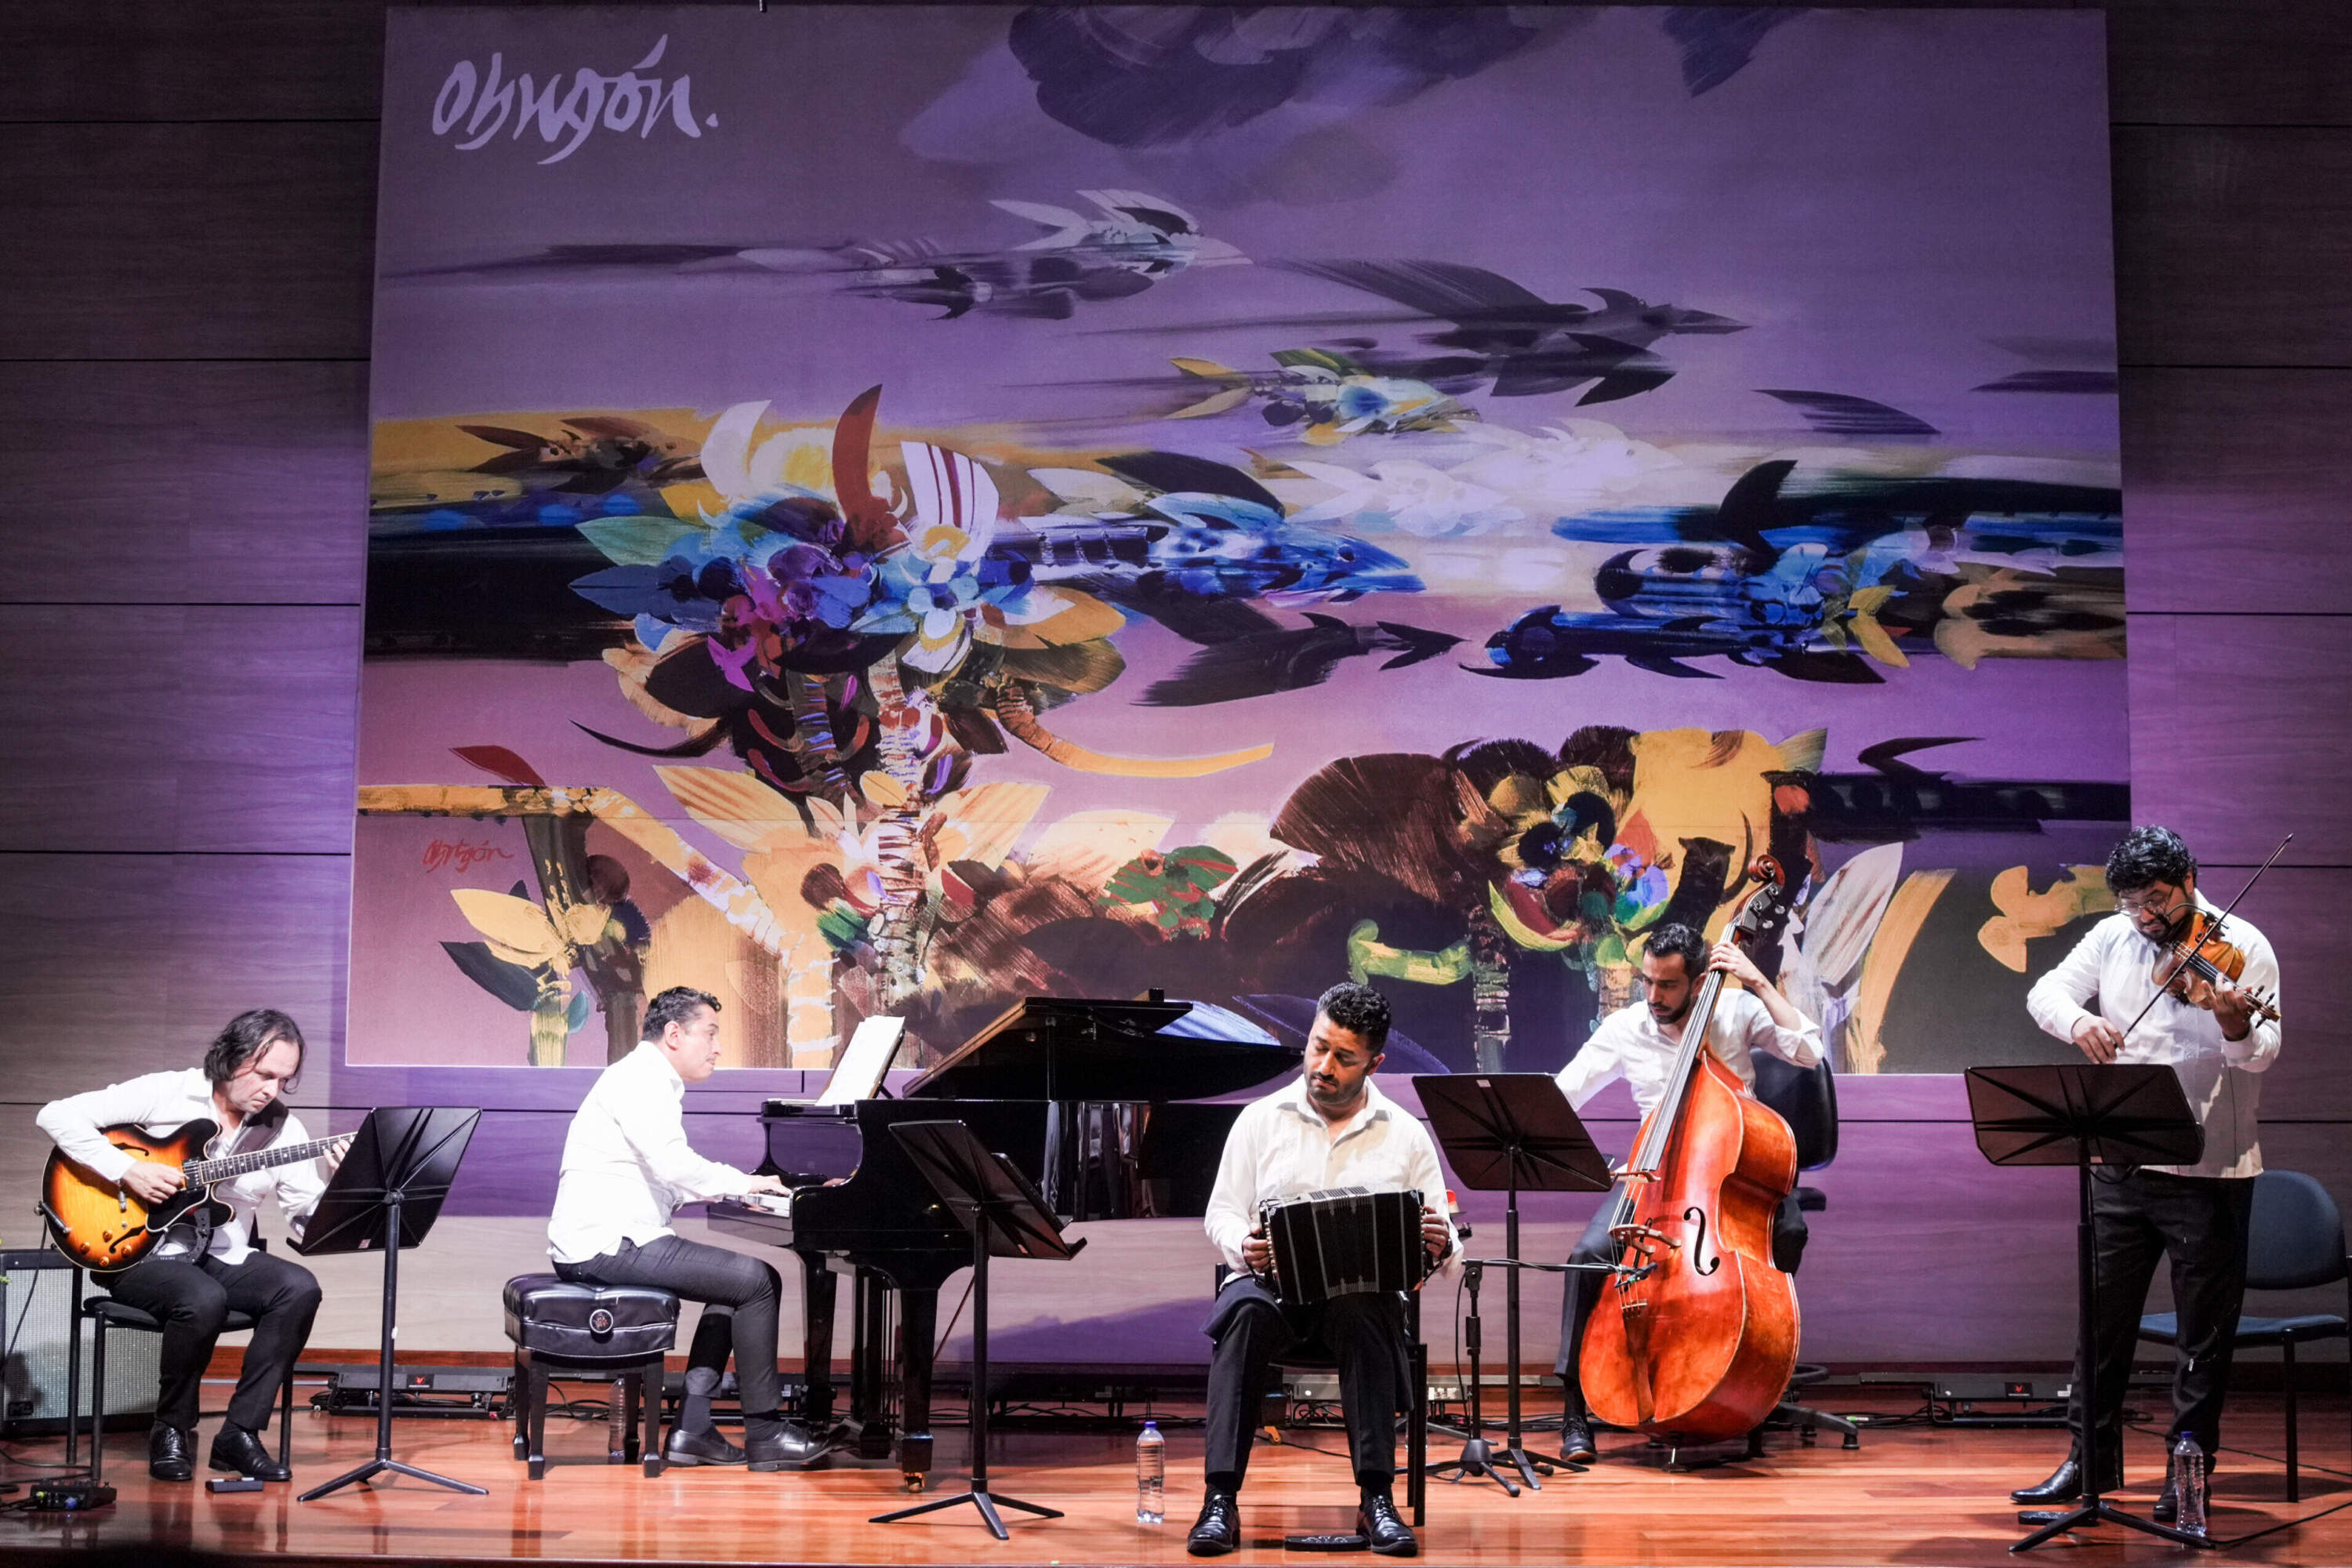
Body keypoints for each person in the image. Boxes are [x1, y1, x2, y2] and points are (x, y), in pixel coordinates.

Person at [2013, 826, 2281, 1525]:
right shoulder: (2112, 937)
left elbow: (2260, 1055)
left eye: (2157, 900)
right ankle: (2088, 1463)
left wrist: (2232, 1026)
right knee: (2100, 1326)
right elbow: (2046, 992)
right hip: (2122, 1161)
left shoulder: (2243, 946)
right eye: (2133, 902)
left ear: (2189, 878)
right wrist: (2078, 1024)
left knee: (2202, 1337)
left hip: (2210, 1170)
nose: (2146, 917)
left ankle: (2187, 1475)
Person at [1189, 982, 1457, 1559]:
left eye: (1343, 1057)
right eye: (1317, 1047)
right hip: (1273, 1290)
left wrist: (1441, 1242)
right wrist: (1244, 1243)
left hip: (1357, 1298)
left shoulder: (1406, 1135)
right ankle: (1219, 1501)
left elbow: (1443, 1239)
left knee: (1367, 1312)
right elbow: (1222, 1211)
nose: (1322, 1066)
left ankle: (1376, 1499)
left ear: (1375, 1062)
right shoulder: (1260, 1120)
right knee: (1241, 1314)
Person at [1550, 921, 1824, 1464]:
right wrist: (1587, 1160)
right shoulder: (1626, 1027)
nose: (1653, 997)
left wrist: (1761, 984)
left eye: (1669, 986)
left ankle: (1758, 1366)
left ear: (1699, 983)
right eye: (1648, 982)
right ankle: (1574, 1411)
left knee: (1790, 1230)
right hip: (1651, 1176)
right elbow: (1563, 1094)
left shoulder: (1736, 1011)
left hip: (1730, 1172)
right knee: (1587, 1258)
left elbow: (1808, 1052)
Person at [36, 1010, 338, 1483]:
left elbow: (305, 1219)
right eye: (264, 1075)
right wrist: (126, 1169)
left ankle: (239, 1434)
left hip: (220, 1252)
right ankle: (171, 1428)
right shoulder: (169, 1091)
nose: (271, 1090)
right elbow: (55, 1114)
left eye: (283, 1080)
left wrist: (339, 1187)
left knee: (298, 1287)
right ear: (232, 1058)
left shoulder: (283, 1130)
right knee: (202, 1299)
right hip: (135, 1250)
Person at [547, 985, 818, 1470]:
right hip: (608, 1245)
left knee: (733, 1283)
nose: (717, 1048)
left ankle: (693, 1430)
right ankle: (765, 1434)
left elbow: (663, 1178)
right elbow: (673, 1164)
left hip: (615, 1238)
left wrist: (745, 1190)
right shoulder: (640, 1080)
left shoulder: (645, 1078)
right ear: (674, 1034)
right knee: (760, 1281)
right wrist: (748, 1185)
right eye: (710, 1033)